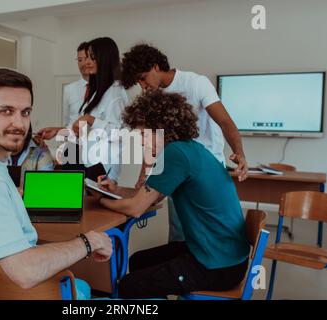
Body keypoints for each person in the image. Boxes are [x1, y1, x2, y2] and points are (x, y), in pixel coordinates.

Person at [0, 69, 112, 297]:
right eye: (6, 111)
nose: (19, 123)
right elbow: (25, 271)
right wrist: (89, 241)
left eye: (25, 112)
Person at [89, 90, 250, 299]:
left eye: (143, 135)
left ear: (160, 128)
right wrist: (115, 190)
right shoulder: (188, 149)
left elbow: (136, 208)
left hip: (218, 265)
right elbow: (150, 196)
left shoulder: (175, 154)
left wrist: (99, 200)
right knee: (139, 260)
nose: (141, 143)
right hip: (225, 255)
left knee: (129, 285)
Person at [121, 44, 248, 242]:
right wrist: (144, 175)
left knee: (202, 232)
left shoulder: (196, 83)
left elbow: (225, 122)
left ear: (155, 66)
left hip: (206, 167)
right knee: (179, 232)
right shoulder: (153, 96)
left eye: (143, 78)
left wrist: (239, 152)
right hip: (176, 166)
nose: (142, 86)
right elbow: (154, 140)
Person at [38, 37, 128, 183]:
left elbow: (118, 133)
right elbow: (86, 130)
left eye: (92, 58)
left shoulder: (115, 91)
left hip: (103, 166)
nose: (87, 62)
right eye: (85, 58)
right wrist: (58, 131)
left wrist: (91, 120)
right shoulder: (98, 92)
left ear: (104, 59)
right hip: (88, 162)